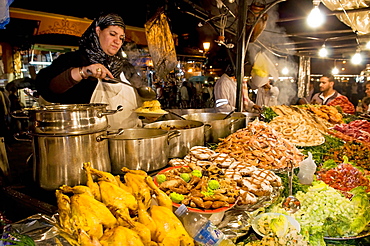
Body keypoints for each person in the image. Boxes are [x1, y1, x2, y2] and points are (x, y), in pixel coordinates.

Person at [35, 12, 148, 129]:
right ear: (98, 31)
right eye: (112, 34)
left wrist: (148, 114)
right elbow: (47, 89)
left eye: (121, 38)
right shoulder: (74, 59)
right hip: (90, 141)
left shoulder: (126, 67)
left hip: (129, 139)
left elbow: (140, 103)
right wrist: (83, 72)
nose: (117, 41)